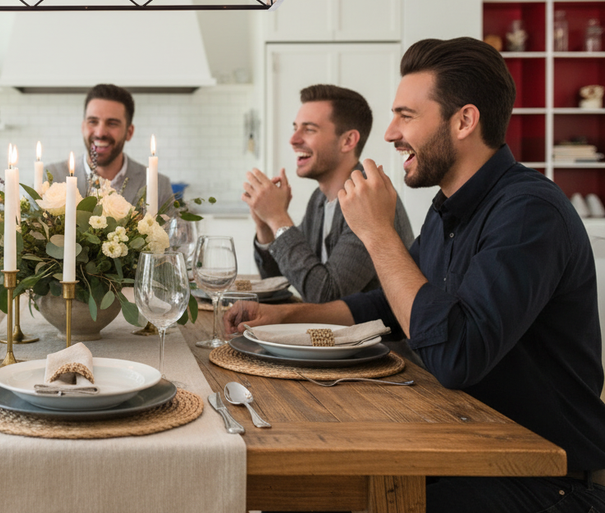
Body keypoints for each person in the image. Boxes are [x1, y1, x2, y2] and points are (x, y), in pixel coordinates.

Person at [226, 37, 605, 511]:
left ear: (464, 121)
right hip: (463, 442)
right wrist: (285, 317)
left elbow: (456, 356)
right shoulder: (448, 208)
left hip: (543, 476)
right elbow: (387, 306)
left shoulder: (529, 212)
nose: (389, 133)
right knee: (305, 489)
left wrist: (378, 233)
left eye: (406, 116)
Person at [243, 84, 414, 303]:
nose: (293, 139)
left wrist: (278, 218)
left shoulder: (368, 199)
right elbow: (278, 283)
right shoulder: (319, 200)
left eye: (309, 129)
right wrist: (266, 226)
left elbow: (327, 295)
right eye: (295, 128)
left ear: (348, 141)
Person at [45, 83, 173, 212]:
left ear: (129, 132)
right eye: (93, 122)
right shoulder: (51, 178)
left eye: (112, 123)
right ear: (83, 127)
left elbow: (172, 226)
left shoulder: (159, 185)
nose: (100, 133)